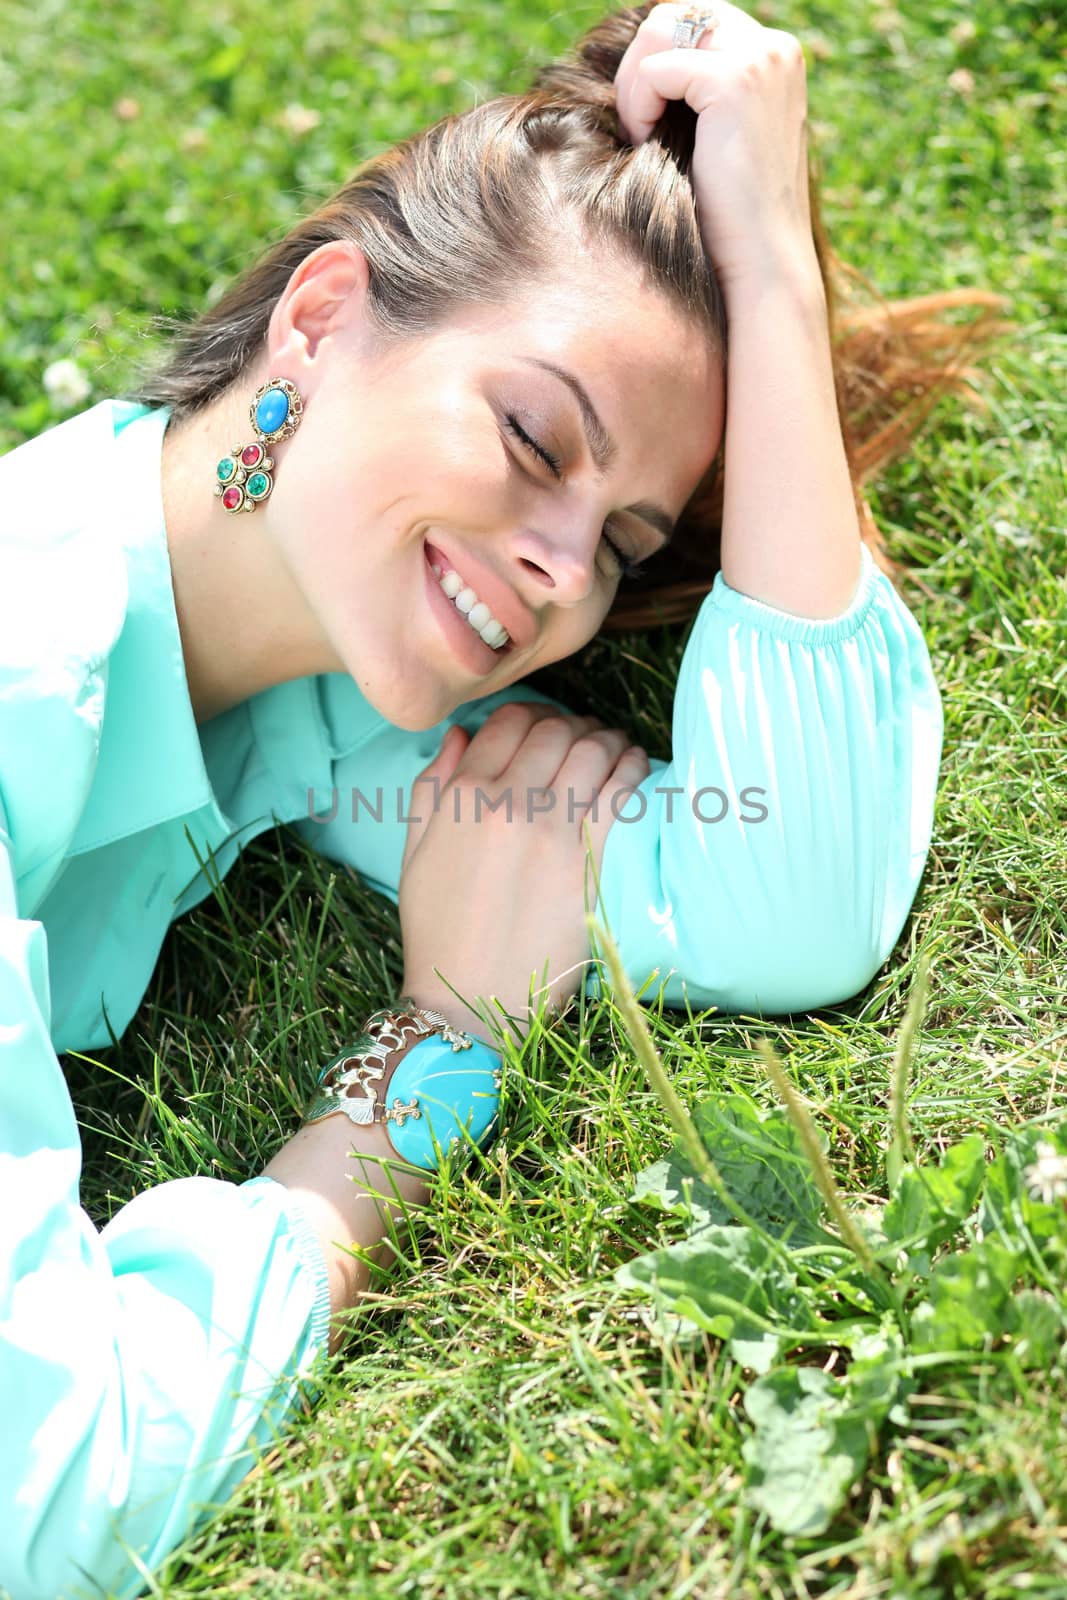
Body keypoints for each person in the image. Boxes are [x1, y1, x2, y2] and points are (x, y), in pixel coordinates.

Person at [0, 3, 1001, 1596]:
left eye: (618, 544)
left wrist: (776, 286)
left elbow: (794, 892)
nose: (557, 573)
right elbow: (55, 1509)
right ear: (319, 325)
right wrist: (431, 1057)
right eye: (534, 438)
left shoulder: (303, 675)